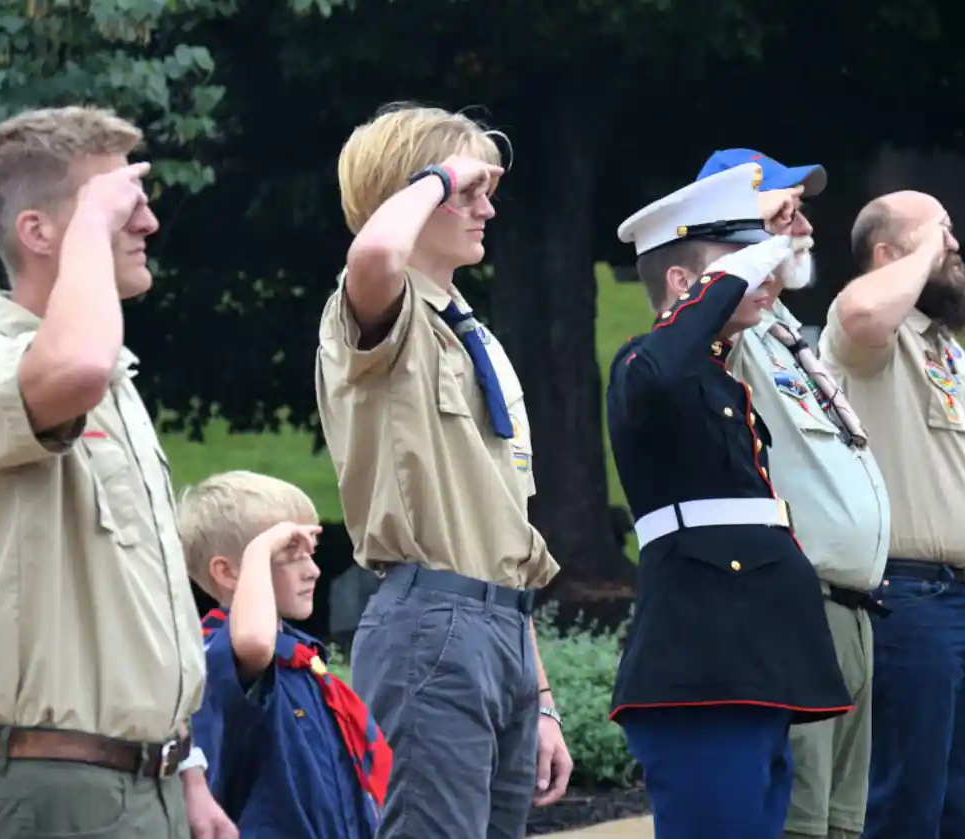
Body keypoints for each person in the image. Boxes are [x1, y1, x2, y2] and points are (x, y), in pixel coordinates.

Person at [0, 106, 234, 839]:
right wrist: (89, 226)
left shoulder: (115, 383)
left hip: (142, 785)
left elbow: (134, 619)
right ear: (38, 232)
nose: (147, 221)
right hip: (54, 791)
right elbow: (75, 362)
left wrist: (185, 772)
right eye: (121, 201)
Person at [315, 103, 572, 839]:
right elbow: (373, 256)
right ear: (413, 191)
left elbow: (503, 528)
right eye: (469, 189)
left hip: (501, 626)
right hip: (432, 625)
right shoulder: (375, 306)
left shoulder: (468, 333)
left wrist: (541, 695)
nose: (487, 205)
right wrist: (440, 172)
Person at [607, 161, 854, 839]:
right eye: (738, 261)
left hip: (755, 656)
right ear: (687, 285)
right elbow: (659, 371)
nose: (763, 276)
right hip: (703, 662)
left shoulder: (721, 380)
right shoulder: (644, 365)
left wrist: (768, 249)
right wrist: (753, 258)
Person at [697, 149, 891, 839]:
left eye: (798, 211)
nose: (801, 224)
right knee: (798, 822)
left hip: (853, 611)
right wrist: (747, 231)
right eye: (784, 210)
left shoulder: (782, 336)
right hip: (797, 607)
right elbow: (699, 301)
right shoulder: (734, 329)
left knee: (841, 822)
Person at [819, 190, 965, 839]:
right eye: (940, 234)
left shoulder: (945, 343)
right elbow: (860, 314)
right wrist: (928, 247)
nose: (954, 245)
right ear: (888, 254)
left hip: (953, 599)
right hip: (910, 596)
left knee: (955, 802)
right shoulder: (872, 335)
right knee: (906, 800)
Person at [179, 470, 392, 839]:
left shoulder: (302, 660)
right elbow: (254, 642)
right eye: (290, 555)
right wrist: (261, 549)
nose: (314, 570)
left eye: (310, 554)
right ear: (228, 573)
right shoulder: (218, 654)